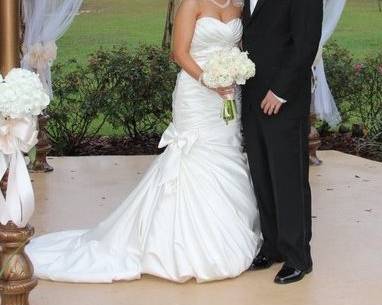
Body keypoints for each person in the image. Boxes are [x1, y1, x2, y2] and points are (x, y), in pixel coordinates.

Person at [26, 0, 262, 284]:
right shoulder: (192, 4)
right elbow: (178, 53)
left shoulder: (238, 5)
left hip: (227, 94)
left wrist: (234, 73)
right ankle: (180, 245)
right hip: (197, 94)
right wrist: (208, 80)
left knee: (227, 152)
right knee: (193, 156)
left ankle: (226, 234)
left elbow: (236, 48)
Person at [242, 0, 323, 284]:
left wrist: (280, 91)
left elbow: (306, 43)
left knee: (289, 180)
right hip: (250, 97)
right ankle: (272, 246)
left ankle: (297, 257)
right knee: (262, 175)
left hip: (282, 100)